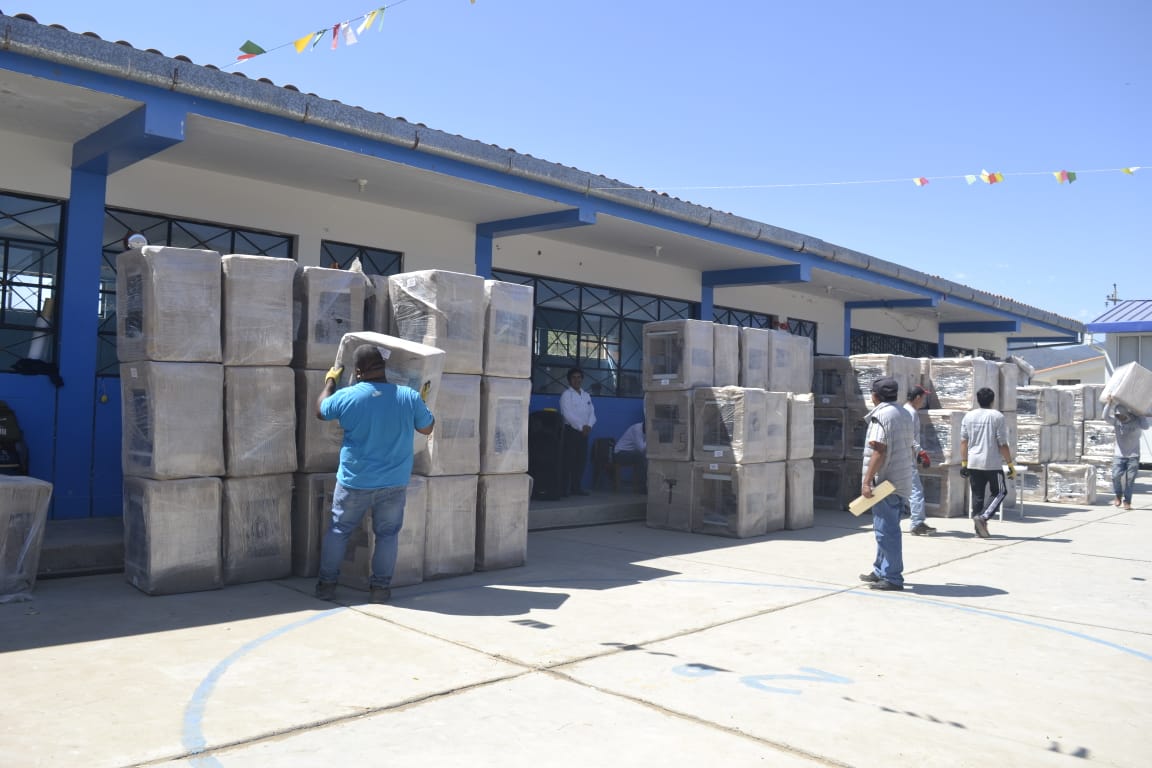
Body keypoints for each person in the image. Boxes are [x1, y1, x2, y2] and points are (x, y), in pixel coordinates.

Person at [313, 344, 435, 603]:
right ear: (384, 368)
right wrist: (422, 404)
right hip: (393, 482)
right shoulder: (408, 397)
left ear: (358, 372)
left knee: (339, 530)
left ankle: (327, 585)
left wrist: (330, 382)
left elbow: (320, 410)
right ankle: (380, 589)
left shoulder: (348, 397)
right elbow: (426, 429)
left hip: (354, 481)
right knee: (387, 535)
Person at [858, 377, 916, 591]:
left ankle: (892, 577)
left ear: (875, 396)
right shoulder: (903, 413)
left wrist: (866, 482)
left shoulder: (881, 415)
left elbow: (879, 449)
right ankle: (880, 569)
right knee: (885, 526)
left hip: (886, 482)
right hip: (900, 478)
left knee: (886, 530)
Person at [959, 387, 1015, 538]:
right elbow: (1002, 443)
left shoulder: (968, 416)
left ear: (978, 400)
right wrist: (1010, 464)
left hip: (973, 462)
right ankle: (983, 518)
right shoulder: (997, 416)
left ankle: (979, 530)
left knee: (978, 495)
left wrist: (964, 463)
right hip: (991, 462)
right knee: (1000, 491)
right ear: (992, 400)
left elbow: (963, 441)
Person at [1103, 401, 1149, 510]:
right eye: (1117, 415)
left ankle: (1127, 501)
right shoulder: (1116, 422)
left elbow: (1146, 426)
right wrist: (1109, 404)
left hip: (1133, 455)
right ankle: (1118, 495)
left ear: (1127, 414)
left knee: (1130, 479)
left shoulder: (1136, 421)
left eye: (1121, 415)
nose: (1119, 417)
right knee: (1115, 476)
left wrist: (1140, 413)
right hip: (1119, 455)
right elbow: (1104, 417)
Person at [559, 367, 596, 496]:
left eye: (579, 377)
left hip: (584, 433)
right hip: (571, 432)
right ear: (569, 380)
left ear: (582, 379)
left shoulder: (586, 395)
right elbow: (567, 414)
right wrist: (582, 427)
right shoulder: (566, 395)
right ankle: (563, 489)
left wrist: (589, 426)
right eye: (574, 377)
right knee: (568, 461)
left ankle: (576, 488)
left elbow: (592, 413)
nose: (577, 380)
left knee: (580, 461)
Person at [904, 386, 935, 535]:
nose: (923, 401)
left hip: (906, 456)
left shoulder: (908, 411)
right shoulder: (910, 413)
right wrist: (921, 452)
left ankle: (916, 521)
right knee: (916, 491)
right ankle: (917, 523)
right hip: (906, 458)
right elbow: (909, 437)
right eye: (923, 397)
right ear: (917, 398)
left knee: (905, 491)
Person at [613, 420, 647, 493]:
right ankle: (641, 488)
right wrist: (652, 439)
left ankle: (648, 485)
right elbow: (641, 448)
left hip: (629, 453)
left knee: (646, 458)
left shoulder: (646, 430)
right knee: (640, 456)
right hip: (620, 454)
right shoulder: (637, 429)